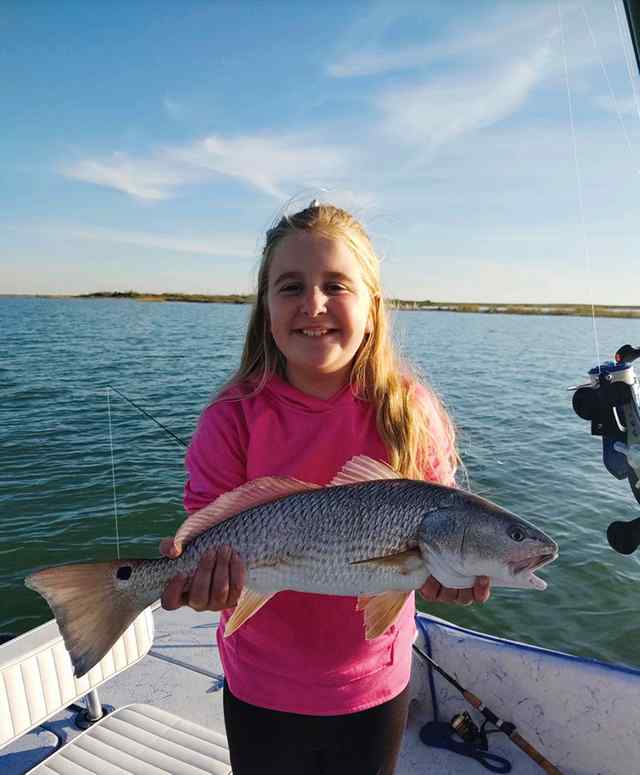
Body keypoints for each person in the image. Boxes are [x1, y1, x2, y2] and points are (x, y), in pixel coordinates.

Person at [160, 202, 491, 775]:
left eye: (336, 285)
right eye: (291, 287)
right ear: (265, 310)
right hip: (259, 685)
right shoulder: (231, 417)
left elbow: (440, 526)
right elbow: (203, 536)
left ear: (372, 307)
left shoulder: (411, 411)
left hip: (375, 686)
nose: (313, 304)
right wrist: (201, 579)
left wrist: (447, 578)